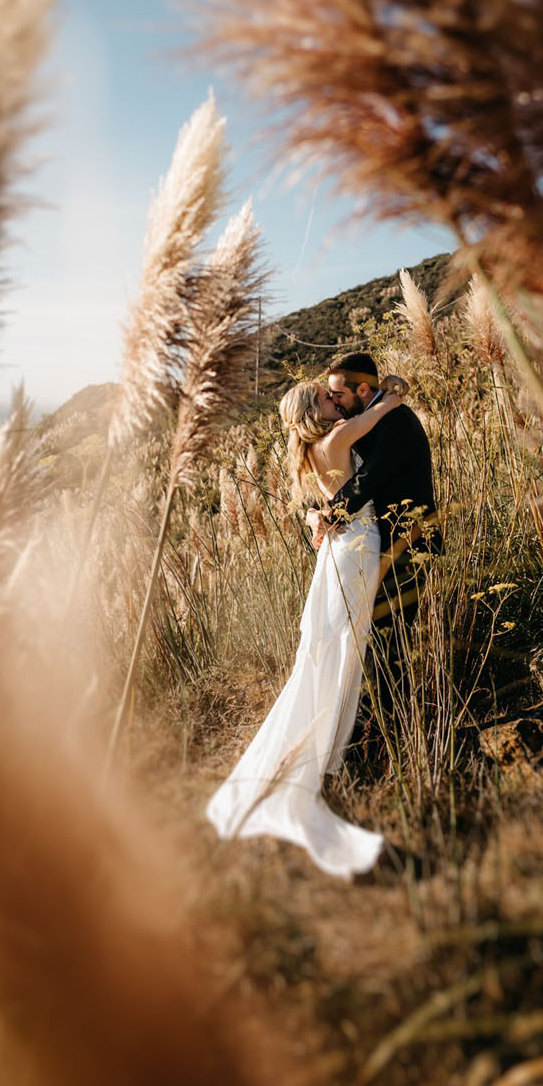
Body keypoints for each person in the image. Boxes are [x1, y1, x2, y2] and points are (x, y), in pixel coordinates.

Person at [205, 376, 406, 879]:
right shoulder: (337, 439)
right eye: (326, 396)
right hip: (357, 550)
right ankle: (321, 751)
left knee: (334, 647)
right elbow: (388, 408)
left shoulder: (314, 449)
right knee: (341, 646)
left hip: (344, 548)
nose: (334, 399)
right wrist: (385, 390)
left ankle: (322, 746)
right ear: (315, 412)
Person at [320, 352, 442, 760]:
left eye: (339, 395)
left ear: (363, 390)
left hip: (407, 546)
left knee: (390, 641)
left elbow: (371, 478)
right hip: (380, 546)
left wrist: (331, 515)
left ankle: (397, 739)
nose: (335, 402)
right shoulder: (373, 416)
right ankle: (382, 733)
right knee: (380, 640)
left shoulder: (393, 420)